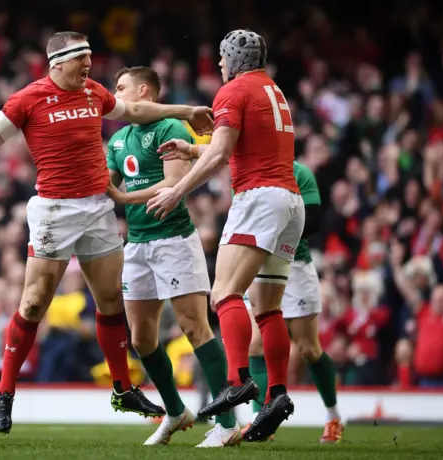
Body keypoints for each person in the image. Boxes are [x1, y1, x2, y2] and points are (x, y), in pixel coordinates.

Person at [0, 31, 214, 434]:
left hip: (98, 208)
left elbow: (136, 111)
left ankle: (122, 388)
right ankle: (5, 393)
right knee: (33, 303)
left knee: (109, 302)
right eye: (80, 59)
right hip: (54, 210)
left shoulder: (94, 92)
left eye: (89, 57)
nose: (88, 65)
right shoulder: (27, 98)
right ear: (57, 63)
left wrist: (189, 110)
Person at [148, 29, 304, 441]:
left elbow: (221, 153)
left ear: (233, 60)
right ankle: (277, 393)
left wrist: (177, 190)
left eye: (221, 58)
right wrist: (191, 150)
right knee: (268, 309)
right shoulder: (274, 90)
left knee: (224, 295)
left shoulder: (233, 91)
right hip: (290, 202)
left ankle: (236, 382)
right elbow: (237, 145)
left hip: (258, 198)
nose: (219, 66)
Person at [106, 66, 240, 448]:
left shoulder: (171, 128)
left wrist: (122, 199)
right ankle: (176, 410)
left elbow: (172, 183)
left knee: (194, 327)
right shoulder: (118, 141)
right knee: (142, 337)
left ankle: (227, 422)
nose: (116, 96)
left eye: (121, 88)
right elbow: (107, 185)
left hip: (173, 239)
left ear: (144, 91)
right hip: (136, 245)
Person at [243, 161, 343, 443]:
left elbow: (312, 220)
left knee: (309, 349)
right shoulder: (248, 168)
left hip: (294, 264)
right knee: (255, 345)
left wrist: (271, 228)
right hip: (259, 264)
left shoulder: (299, 173)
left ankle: (333, 415)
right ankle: (258, 420)